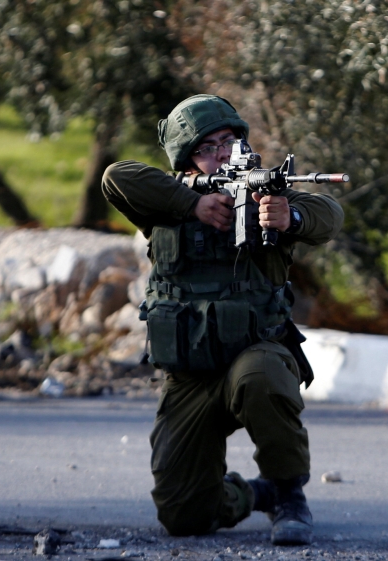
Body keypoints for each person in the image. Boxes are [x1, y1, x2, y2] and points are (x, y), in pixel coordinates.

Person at [101, 95, 344, 546]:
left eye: (228, 141)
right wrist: (190, 205)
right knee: (184, 515)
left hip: (254, 355)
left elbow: (329, 215)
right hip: (190, 375)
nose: (221, 153)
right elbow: (117, 178)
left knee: (262, 375)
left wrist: (287, 216)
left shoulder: (264, 193)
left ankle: (290, 494)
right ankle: (258, 494)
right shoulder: (166, 206)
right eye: (206, 147)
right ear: (186, 159)